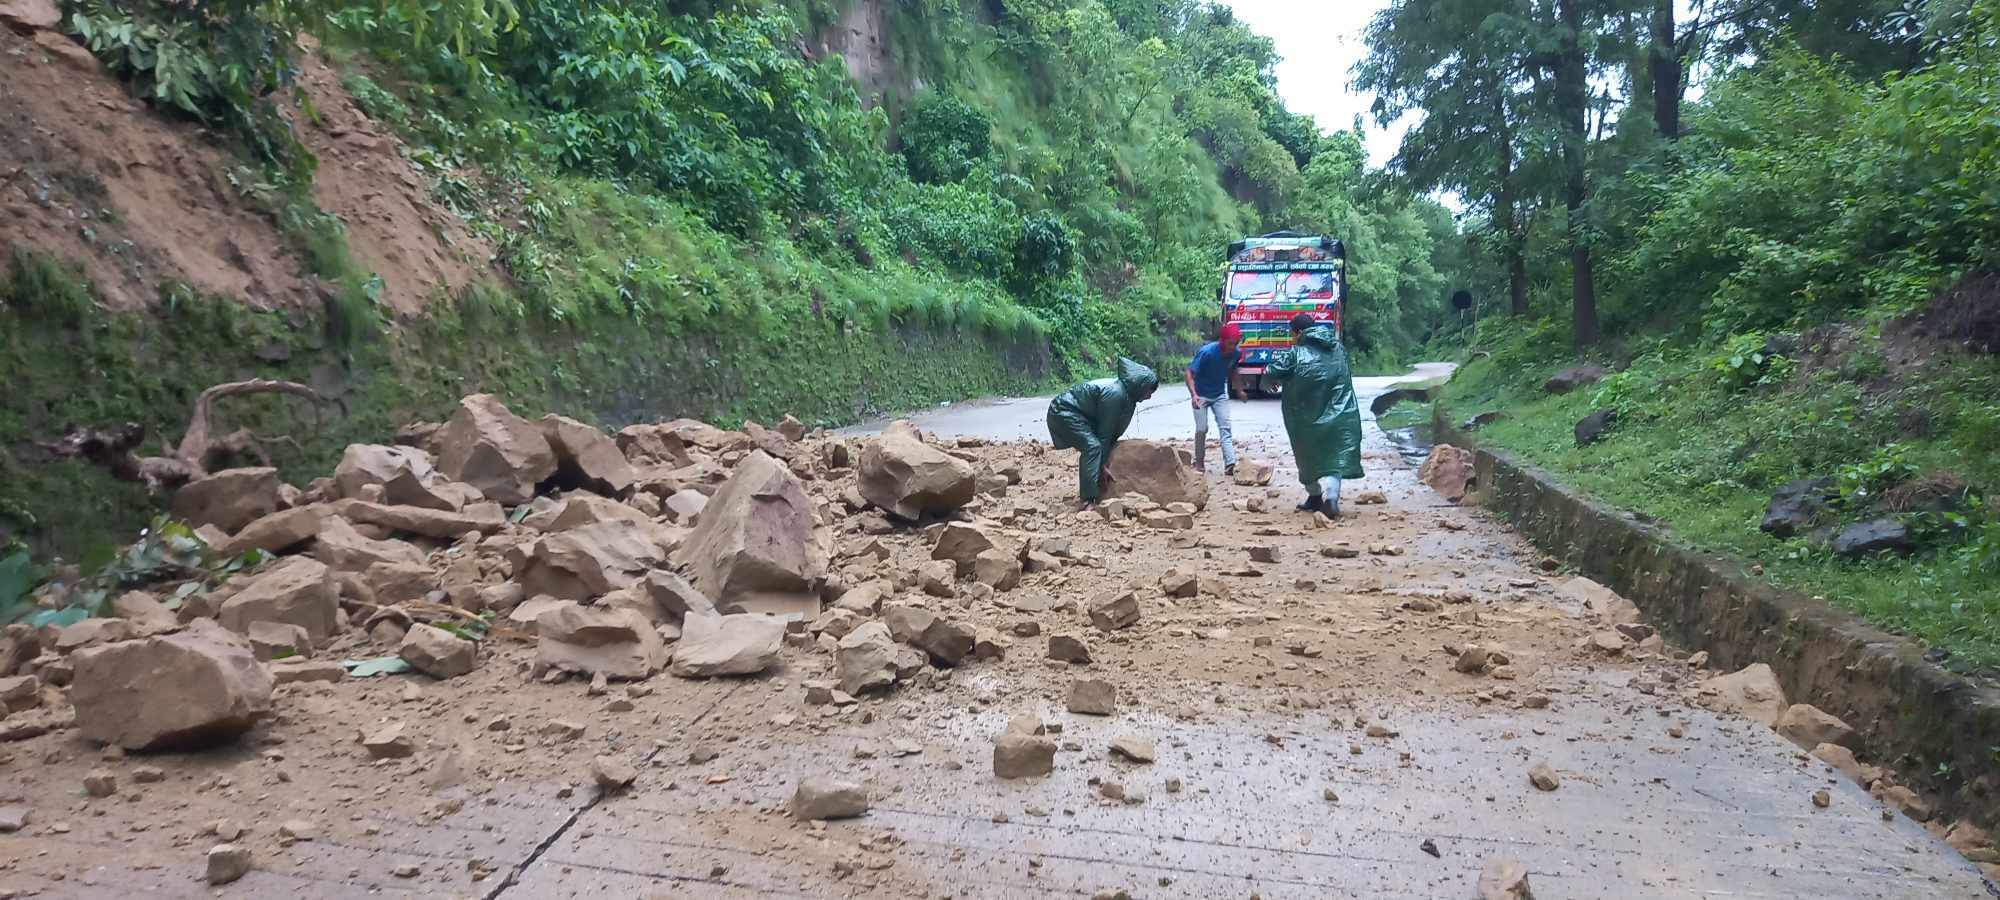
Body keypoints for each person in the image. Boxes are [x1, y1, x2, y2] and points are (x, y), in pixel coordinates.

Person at [1266, 312, 1363, 515]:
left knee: (1306, 457)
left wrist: (1270, 380)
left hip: (1305, 418)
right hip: (1340, 413)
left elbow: (1272, 371)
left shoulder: (1295, 353)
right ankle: (1332, 499)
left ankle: (1315, 496)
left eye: (1292, 334)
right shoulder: (1339, 349)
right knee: (1335, 455)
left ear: (1298, 332)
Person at [1046, 357, 1160, 507]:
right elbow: (1104, 434)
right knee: (1092, 446)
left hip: (1080, 413)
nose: (1149, 397)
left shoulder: (1128, 397)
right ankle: (1087, 500)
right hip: (1063, 411)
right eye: (1148, 392)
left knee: (1096, 447)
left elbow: (1113, 431)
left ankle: (1092, 487)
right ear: (1141, 386)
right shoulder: (1115, 394)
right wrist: (1101, 466)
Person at [1184, 323, 1247, 474]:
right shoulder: (1207, 353)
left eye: (1236, 343)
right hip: (1201, 395)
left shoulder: (1236, 353)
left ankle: (1230, 463)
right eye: (1231, 343)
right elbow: (1189, 373)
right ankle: (1199, 463)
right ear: (1222, 340)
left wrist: (1239, 390)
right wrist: (1194, 395)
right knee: (1201, 429)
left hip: (1219, 395)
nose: (1233, 347)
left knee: (1225, 427)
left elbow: (1234, 370)